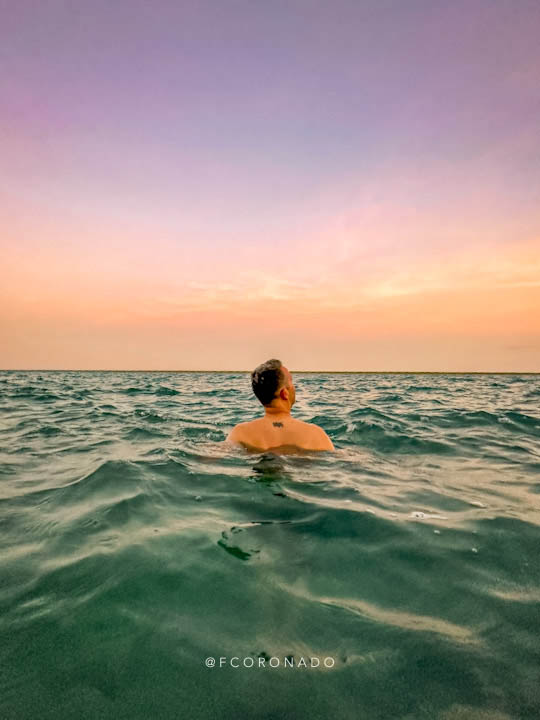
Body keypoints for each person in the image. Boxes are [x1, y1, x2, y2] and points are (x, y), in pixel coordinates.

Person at [226, 358, 335, 453]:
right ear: (284, 393)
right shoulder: (315, 435)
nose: (294, 387)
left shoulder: (241, 433)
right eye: (291, 381)